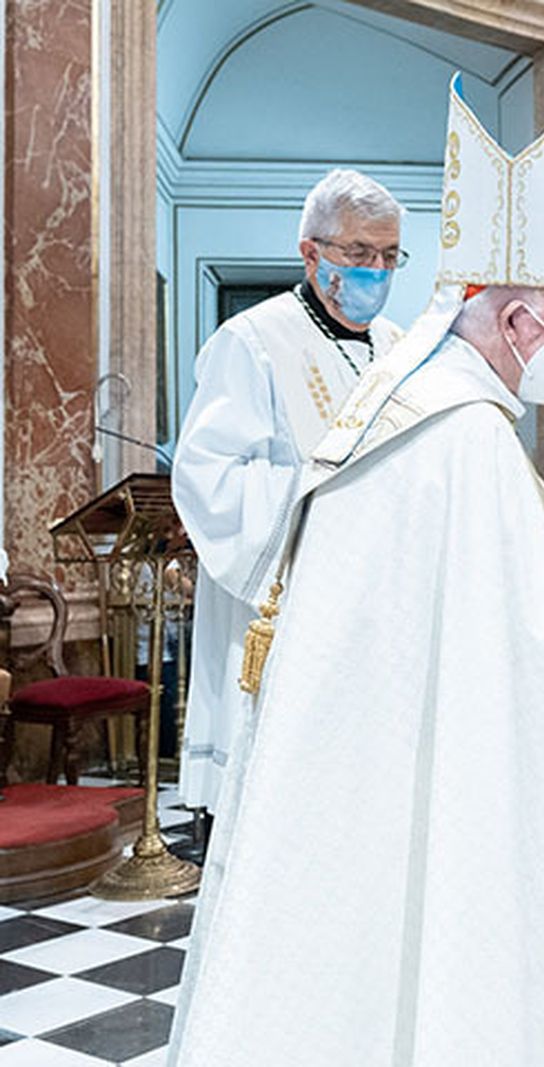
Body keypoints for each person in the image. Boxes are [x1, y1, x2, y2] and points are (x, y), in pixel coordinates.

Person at [168, 80, 544, 1066]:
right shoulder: (448, 424)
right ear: (516, 322)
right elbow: (533, 634)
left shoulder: (407, 373)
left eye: (386, 258)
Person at [171, 168, 407, 818]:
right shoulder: (252, 342)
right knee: (281, 802)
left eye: (390, 255)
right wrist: (327, 495)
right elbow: (207, 476)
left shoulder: (398, 348)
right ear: (311, 252)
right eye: (359, 252)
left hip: (375, 600)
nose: (376, 270)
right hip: (285, 599)